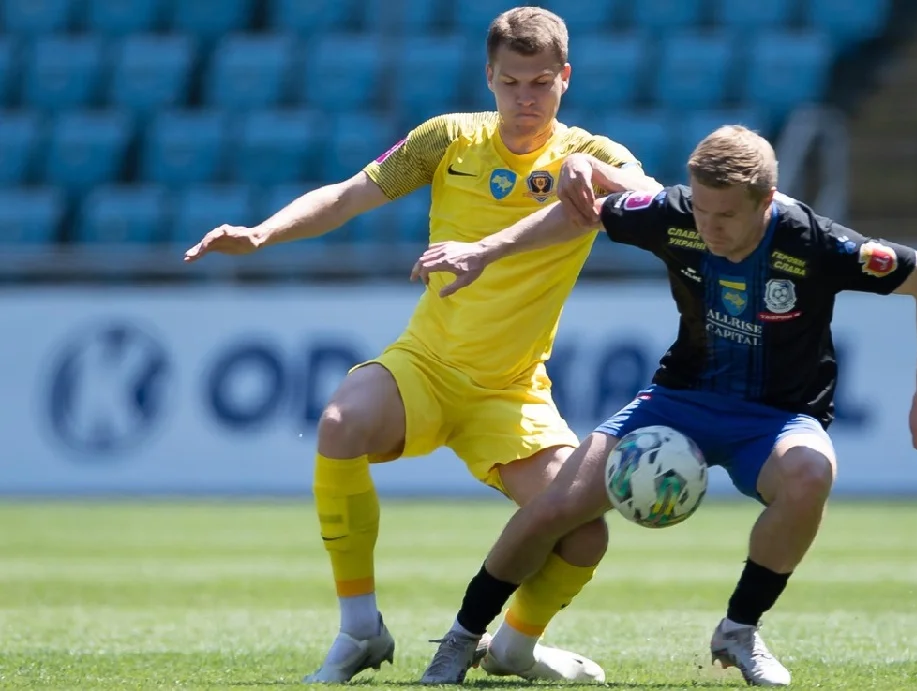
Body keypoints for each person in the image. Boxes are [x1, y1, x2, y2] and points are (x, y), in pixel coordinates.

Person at [183, 7, 660, 684]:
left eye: (542, 83)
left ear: (565, 80)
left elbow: (652, 193)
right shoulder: (447, 140)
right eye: (512, 82)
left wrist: (597, 172)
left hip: (512, 392)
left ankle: (516, 646)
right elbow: (349, 196)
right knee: (340, 423)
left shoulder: (594, 153)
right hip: (427, 366)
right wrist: (261, 233)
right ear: (489, 78)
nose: (526, 98)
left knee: (585, 532)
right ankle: (360, 629)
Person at [412, 125, 917, 686]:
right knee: (554, 509)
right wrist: (485, 248)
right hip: (679, 400)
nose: (707, 227)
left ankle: (739, 631)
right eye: (700, 210)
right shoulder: (674, 214)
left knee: (810, 475)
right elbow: (585, 212)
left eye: (724, 216)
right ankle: (461, 639)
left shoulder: (815, 243)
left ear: (766, 202)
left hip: (776, 419)